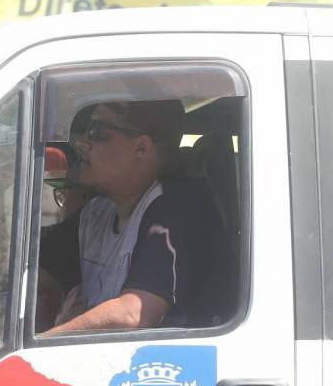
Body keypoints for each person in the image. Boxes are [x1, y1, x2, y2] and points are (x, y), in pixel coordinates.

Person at [38, 99, 227, 334]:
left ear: (141, 148)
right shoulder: (97, 212)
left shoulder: (176, 209)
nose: (82, 142)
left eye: (96, 132)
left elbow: (134, 313)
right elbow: (32, 272)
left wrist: (43, 343)